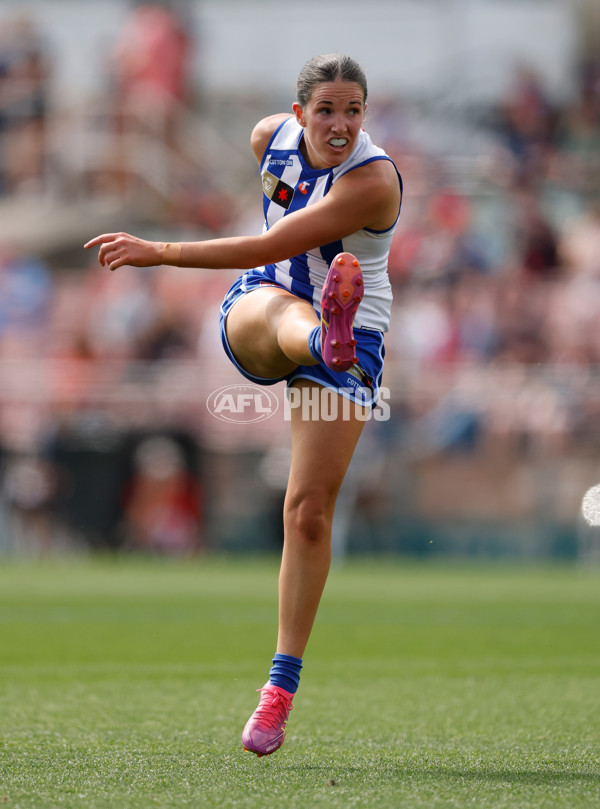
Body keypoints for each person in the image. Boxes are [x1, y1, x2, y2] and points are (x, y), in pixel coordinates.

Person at [85, 53, 402, 757]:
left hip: (357, 344)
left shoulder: (373, 181)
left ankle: (278, 690)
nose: (342, 124)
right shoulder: (269, 137)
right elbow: (266, 240)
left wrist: (158, 251)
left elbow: (267, 238)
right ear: (298, 115)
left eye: (354, 110)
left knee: (307, 510)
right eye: (327, 110)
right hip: (260, 315)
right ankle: (322, 334)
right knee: (280, 309)